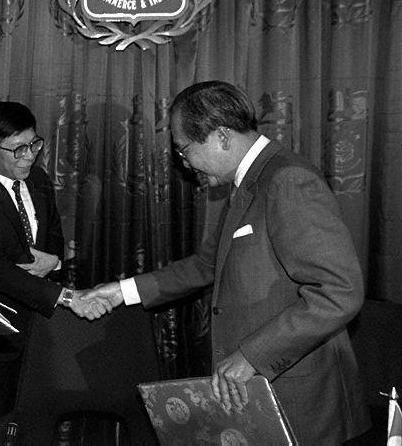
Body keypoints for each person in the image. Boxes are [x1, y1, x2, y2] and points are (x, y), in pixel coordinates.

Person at [84, 81, 370, 445]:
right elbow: (207, 265)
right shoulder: (245, 182)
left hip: (303, 404)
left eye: (185, 151)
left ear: (221, 136)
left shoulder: (287, 180)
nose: (185, 165)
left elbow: (338, 292)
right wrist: (120, 292)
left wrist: (252, 356)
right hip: (265, 398)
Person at [0, 101, 110, 440]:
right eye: (17, 149)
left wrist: (54, 261)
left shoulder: (37, 179)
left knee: (36, 426)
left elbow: (53, 237)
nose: (30, 156)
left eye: (34, 144)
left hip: (40, 329)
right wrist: (65, 297)